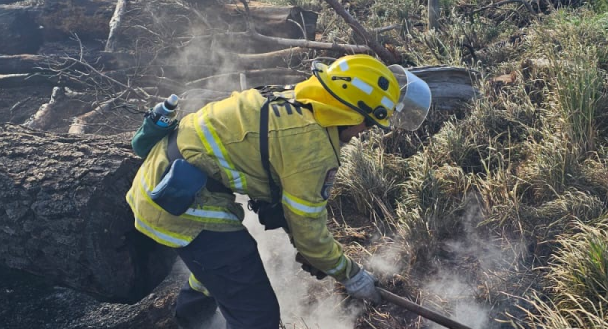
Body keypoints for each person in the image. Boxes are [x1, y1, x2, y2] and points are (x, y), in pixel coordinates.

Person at [125, 54, 432, 329]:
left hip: (160, 179)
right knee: (257, 316)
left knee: (222, 269)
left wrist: (307, 245)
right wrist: (351, 275)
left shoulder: (293, 98)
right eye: (368, 124)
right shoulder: (313, 148)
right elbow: (310, 234)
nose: (363, 133)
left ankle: (190, 321)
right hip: (178, 205)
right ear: (351, 113)